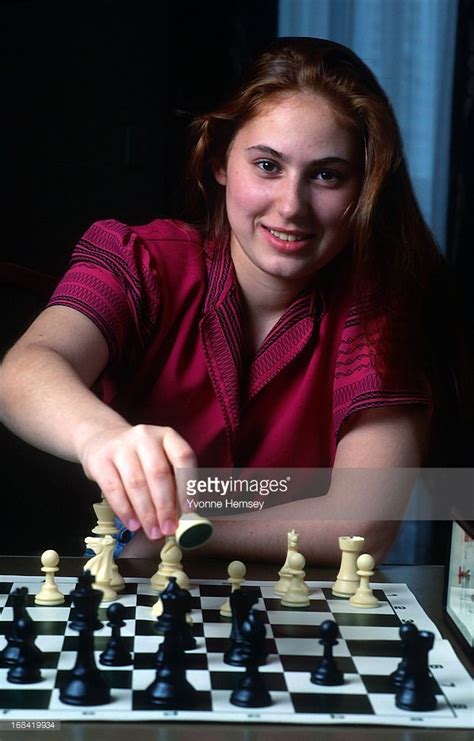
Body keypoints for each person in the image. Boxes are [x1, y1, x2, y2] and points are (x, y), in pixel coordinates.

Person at [0, 38, 451, 565]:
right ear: (219, 161)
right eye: (267, 165)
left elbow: (363, 521)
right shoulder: (141, 259)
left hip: (295, 617)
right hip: (141, 607)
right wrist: (101, 436)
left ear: (364, 187)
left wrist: (182, 521)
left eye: (327, 175)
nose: (291, 207)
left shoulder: (385, 305)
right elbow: (22, 370)